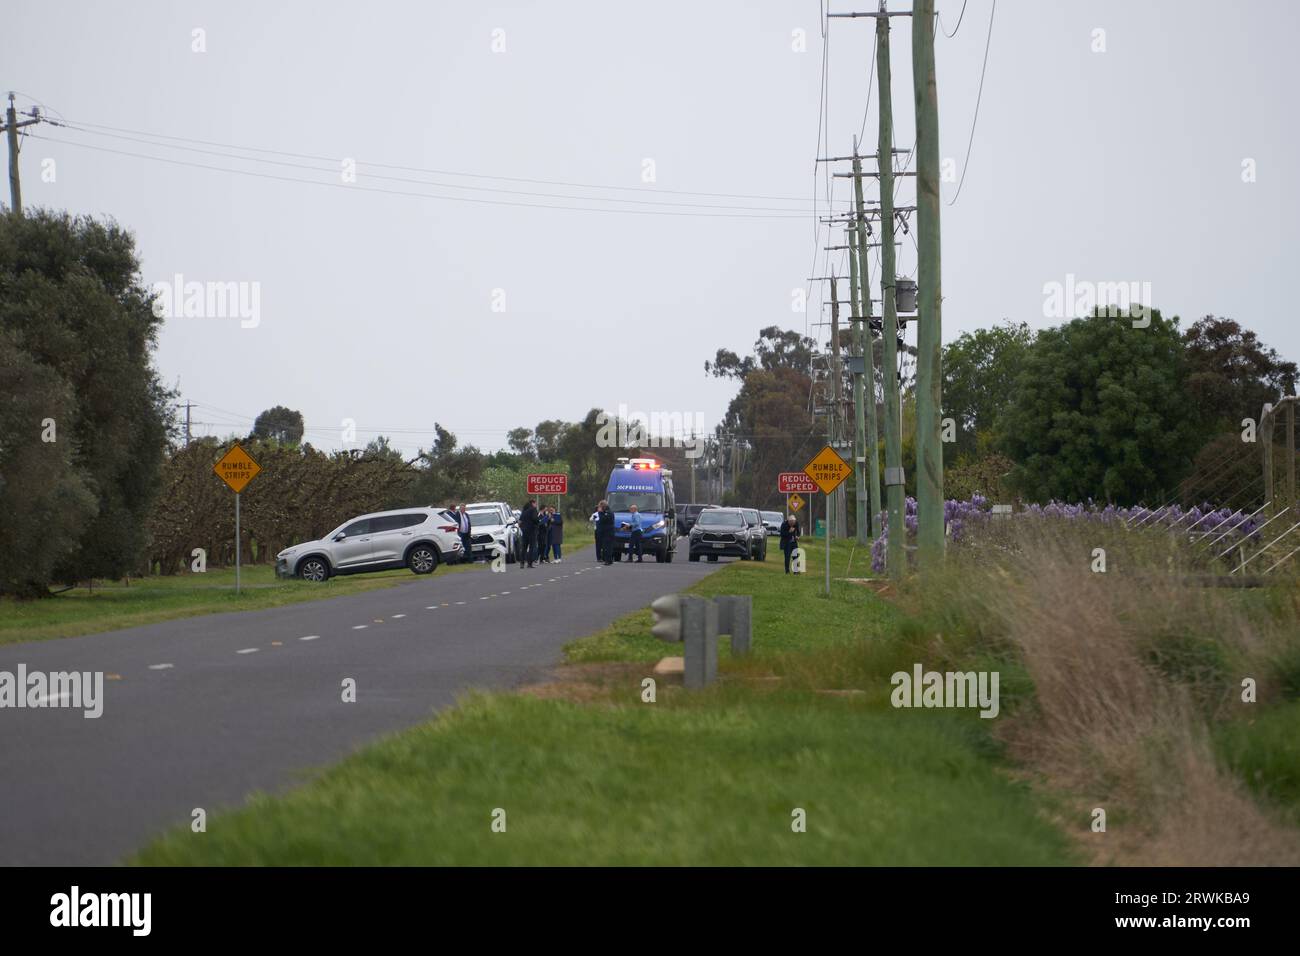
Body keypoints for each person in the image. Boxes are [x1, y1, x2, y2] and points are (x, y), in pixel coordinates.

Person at [519, 498, 539, 568]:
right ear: (532, 503)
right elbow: (535, 519)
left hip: (524, 532)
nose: (536, 505)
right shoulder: (533, 510)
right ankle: (529, 563)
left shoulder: (524, 511)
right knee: (531, 547)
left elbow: (520, 522)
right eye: (535, 503)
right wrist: (538, 522)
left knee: (524, 548)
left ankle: (522, 563)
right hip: (532, 531)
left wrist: (522, 528)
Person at [595, 499, 615, 565]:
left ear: (603, 506)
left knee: (607, 547)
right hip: (606, 532)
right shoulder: (606, 512)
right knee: (606, 547)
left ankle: (608, 560)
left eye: (600, 506)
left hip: (608, 532)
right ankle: (609, 560)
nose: (599, 508)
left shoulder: (608, 512)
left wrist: (600, 512)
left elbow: (603, 520)